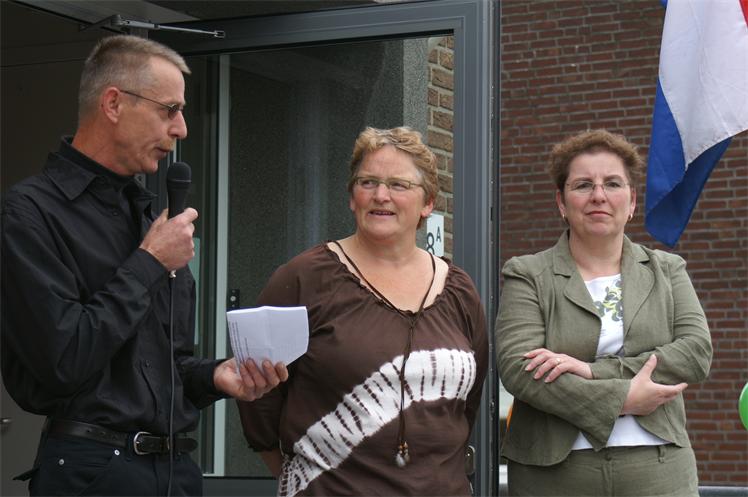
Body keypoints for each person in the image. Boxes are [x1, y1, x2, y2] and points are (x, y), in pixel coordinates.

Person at [1, 35, 288, 496]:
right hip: (91, 472)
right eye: (169, 110)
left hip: (175, 470)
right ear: (113, 103)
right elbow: (62, 361)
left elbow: (161, 365)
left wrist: (214, 375)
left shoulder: (146, 215)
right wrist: (149, 262)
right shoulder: (30, 212)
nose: (182, 129)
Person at [236, 126, 488, 496]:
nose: (381, 195)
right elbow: (258, 398)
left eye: (398, 185)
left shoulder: (460, 292)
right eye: (368, 182)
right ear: (352, 198)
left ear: (428, 203)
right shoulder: (305, 279)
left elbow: (467, 405)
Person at [496, 129, 713, 496]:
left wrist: (592, 371)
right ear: (562, 202)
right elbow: (520, 369)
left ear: (631, 202)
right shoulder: (528, 274)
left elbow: (695, 354)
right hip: (553, 475)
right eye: (583, 185)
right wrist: (622, 400)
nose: (598, 195)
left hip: (659, 470)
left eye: (612, 183)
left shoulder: (668, 269)